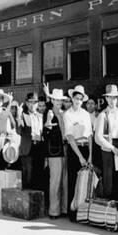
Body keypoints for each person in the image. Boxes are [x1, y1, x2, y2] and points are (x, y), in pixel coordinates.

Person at [95, 84, 118, 200]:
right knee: (108, 178)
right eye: (109, 98)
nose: (112, 100)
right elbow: (98, 137)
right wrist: (112, 148)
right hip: (108, 148)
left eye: (114, 98)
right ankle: (108, 208)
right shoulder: (102, 115)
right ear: (106, 99)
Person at [64, 86, 93, 220]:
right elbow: (70, 137)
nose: (78, 101)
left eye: (81, 99)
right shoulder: (67, 114)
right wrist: (80, 157)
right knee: (73, 180)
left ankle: (84, 212)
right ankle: (73, 212)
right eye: (76, 98)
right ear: (72, 98)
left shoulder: (86, 114)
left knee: (86, 181)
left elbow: (90, 136)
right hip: (74, 150)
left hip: (86, 148)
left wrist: (90, 155)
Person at [42, 87, 68, 218]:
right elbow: (45, 133)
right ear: (52, 100)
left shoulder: (64, 113)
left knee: (64, 180)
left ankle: (64, 209)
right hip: (54, 151)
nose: (58, 102)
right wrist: (47, 125)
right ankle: (54, 210)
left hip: (65, 149)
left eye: (60, 100)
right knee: (55, 181)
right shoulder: (49, 113)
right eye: (56, 100)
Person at [17, 92, 44, 189]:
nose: (33, 105)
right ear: (27, 103)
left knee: (38, 174)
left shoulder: (40, 116)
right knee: (27, 174)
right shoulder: (22, 115)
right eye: (30, 102)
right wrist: (18, 117)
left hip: (39, 147)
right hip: (27, 148)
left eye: (35, 102)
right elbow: (19, 130)